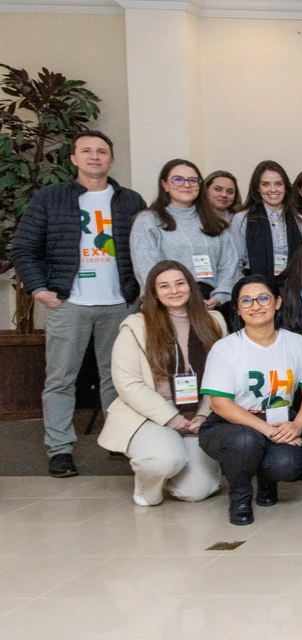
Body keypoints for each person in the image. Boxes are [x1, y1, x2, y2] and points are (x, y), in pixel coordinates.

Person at [12, 130, 145, 477]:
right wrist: (39, 289)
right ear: (73, 158)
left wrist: (140, 291)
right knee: (60, 379)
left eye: (102, 151)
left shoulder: (130, 200)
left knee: (119, 377)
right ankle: (60, 450)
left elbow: (145, 247)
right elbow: (24, 248)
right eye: (86, 151)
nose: (94, 156)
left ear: (112, 159)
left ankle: (120, 440)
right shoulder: (50, 198)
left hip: (120, 303)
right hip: (68, 303)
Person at [98, 261, 227, 506]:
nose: (174, 290)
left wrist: (204, 414)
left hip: (197, 411)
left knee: (196, 490)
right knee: (164, 459)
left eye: (180, 283)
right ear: (154, 293)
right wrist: (171, 418)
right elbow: (128, 383)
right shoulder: (136, 326)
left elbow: (224, 376)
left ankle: (173, 465)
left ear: (191, 286)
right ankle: (148, 484)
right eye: (164, 286)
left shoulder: (214, 321)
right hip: (150, 412)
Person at [199, 275, 302, 525]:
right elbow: (220, 404)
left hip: (279, 419)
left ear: (277, 302)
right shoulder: (225, 348)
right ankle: (240, 497)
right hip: (231, 424)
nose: (255, 306)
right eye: (246, 300)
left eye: (263, 298)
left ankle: (267, 482)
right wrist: (268, 430)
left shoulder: (297, 344)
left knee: (288, 464)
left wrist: (297, 425)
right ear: (237, 309)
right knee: (246, 440)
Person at [130, 159, 237, 309]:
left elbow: (229, 263)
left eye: (193, 180)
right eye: (178, 180)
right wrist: (171, 299)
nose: (186, 185)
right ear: (165, 185)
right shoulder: (149, 221)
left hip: (210, 304)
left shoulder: (213, 222)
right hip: (168, 304)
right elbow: (146, 268)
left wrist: (220, 295)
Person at [229, 160, 302, 283]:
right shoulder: (242, 219)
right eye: (266, 184)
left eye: (278, 184)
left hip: (292, 287)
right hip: (254, 286)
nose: (273, 189)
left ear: (285, 187)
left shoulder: (300, 221)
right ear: (257, 188)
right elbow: (235, 262)